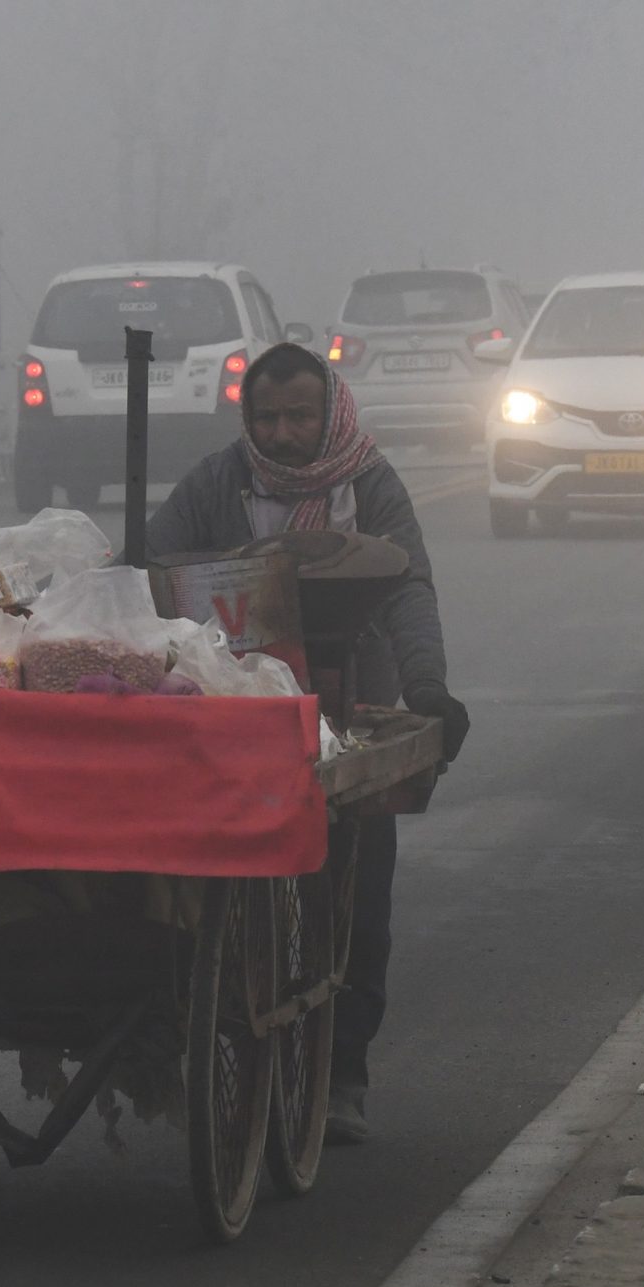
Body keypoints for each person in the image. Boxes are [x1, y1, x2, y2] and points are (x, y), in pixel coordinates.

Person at [147, 342, 469, 1143]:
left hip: (347, 709)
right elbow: (149, 572)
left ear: (329, 415)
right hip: (233, 714)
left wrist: (426, 687)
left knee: (358, 899)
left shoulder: (371, 485)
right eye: (267, 417)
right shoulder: (218, 483)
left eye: (299, 415)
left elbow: (410, 591)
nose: (283, 433)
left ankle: (343, 1074)